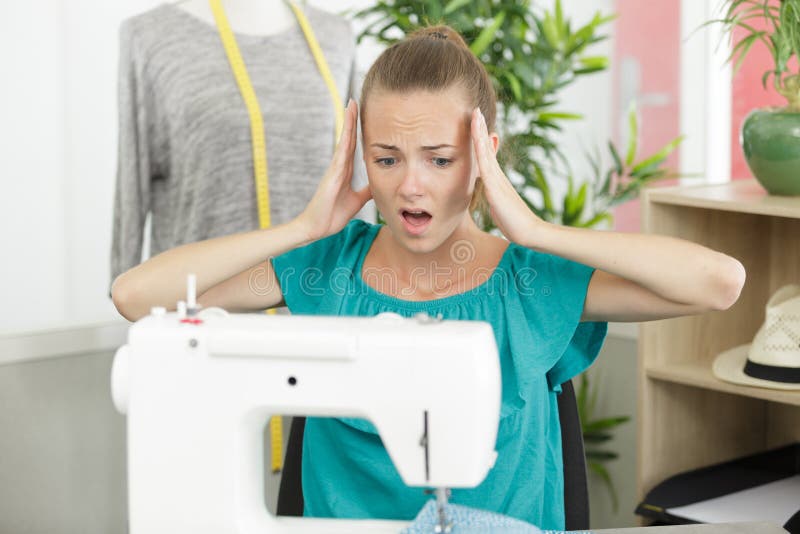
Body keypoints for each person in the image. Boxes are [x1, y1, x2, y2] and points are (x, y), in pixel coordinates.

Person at [111, 25, 746, 531]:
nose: (410, 184)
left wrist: (536, 232)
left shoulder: (531, 282)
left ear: (482, 156)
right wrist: (304, 227)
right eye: (386, 159)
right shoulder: (325, 268)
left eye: (439, 159)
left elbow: (718, 282)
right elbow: (135, 297)